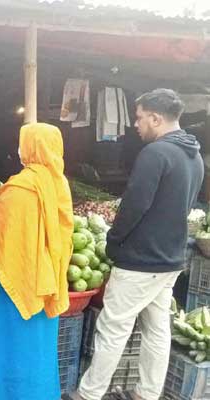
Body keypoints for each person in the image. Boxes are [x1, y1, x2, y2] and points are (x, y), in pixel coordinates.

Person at [65, 89, 203, 400]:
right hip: (170, 259)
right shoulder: (194, 156)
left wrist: (114, 242)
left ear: (156, 118)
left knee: (113, 329)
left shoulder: (155, 154)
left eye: (140, 118)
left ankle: (89, 394)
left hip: (141, 261)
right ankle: (148, 393)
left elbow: (133, 206)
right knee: (157, 330)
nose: (135, 125)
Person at [0, 123, 74, 399]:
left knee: (10, 343)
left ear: (30, 148)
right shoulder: (59, 184)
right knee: (40, 349)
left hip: (16, 276)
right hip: (47, 282)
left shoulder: (20, 188)